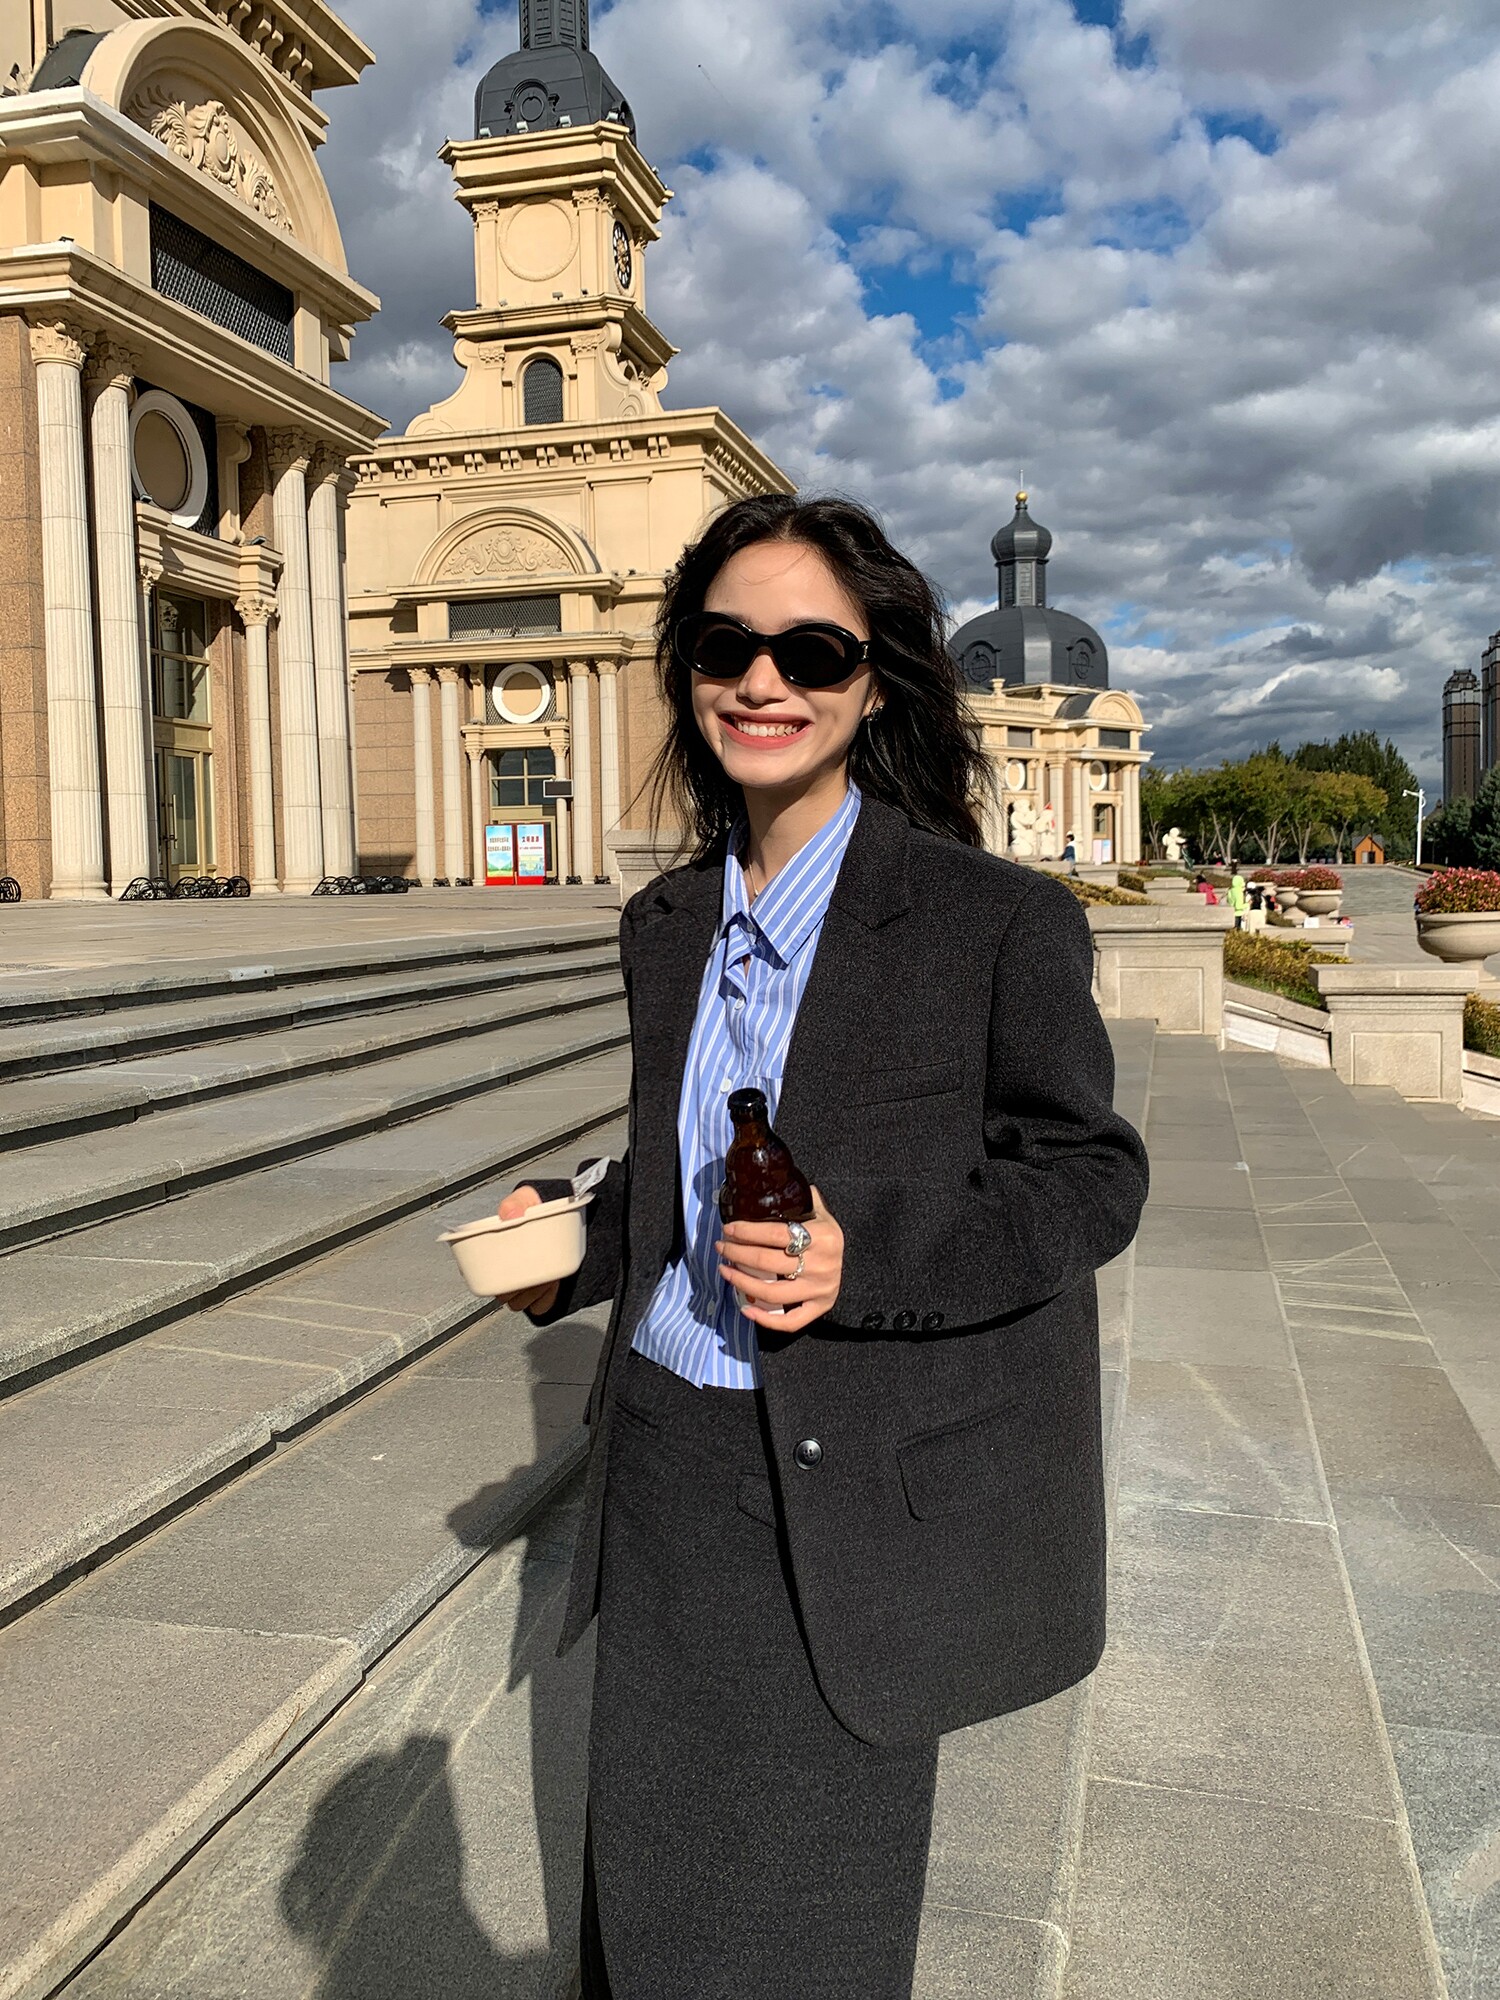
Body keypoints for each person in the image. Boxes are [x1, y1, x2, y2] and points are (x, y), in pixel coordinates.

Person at [495, 495, 1150, 2000]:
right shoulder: (670, 921)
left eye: (811, 652)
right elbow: (687, 1167)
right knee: (644, 1908)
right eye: (726, 645)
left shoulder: (992, 921)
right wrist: (578, 1241)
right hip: (665, 1462)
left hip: (843, 1486)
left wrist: (875, 1257)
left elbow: (1087, 1177)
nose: (762, 681)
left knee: (801, 1932)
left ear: (877, 684)